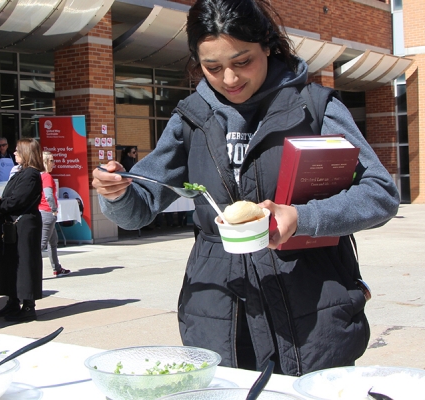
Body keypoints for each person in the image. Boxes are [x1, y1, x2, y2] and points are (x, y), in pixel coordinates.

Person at [92, 0, 400, 376]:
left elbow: (380, 194)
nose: (230, 79)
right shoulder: (191, 118)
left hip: (311, 306)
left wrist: (303, 217)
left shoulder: (315, 108)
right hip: (218, 310)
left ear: (268, 45)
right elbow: (140, 206)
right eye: (213, 68)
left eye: (242, 62)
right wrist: (118, 193)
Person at [0, 138, 43, 322]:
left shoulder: (31, 174)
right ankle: (12, 300)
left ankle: (28, 305)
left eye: (18, 151)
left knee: (25, 263)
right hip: (13, 224)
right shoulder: (21, 172)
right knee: (11, 262)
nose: (14, 154)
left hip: (24, 225)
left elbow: (18, 199)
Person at [40, 151, 70, 277]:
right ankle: (31, 271)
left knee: (53, 241)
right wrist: (53, 209)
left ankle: (56, 268)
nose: (54, 163)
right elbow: (48, 195)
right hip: (47, 212)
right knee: (42, 244)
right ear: (45, 162)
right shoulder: (46, 176)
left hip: (43, 211)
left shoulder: (39, 176)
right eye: (51, 161)